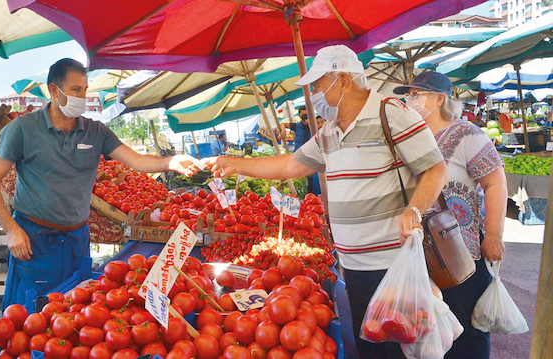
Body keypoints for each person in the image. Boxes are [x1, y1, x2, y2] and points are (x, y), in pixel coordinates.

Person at [206, 45, 448, 358]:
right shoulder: (329, 131)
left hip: (392, 265)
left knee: (398, 350)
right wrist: (235, 163)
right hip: (354, 267)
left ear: (343, 80)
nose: (316, 94)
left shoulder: (393, 113)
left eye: (319, 85)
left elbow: (435, 168)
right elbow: (291, 165)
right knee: (370, 348)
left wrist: (413, 210)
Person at [0, 58, 201, 309]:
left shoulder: (95, 132)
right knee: (30, 313)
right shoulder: (22, 129)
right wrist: (12, 230)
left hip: (76, 240)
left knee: (74, 309)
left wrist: (171, 162)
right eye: (76, 90)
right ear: (54, 90)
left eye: (85, 90)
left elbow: (137, 161)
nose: (82, 97)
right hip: (34, 240)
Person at [394, 71, 507, 359]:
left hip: (461, 253)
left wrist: (494, 236)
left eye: (416, 95)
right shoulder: (411, 139)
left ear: (439, 98)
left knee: (468, 333)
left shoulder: (466, 134)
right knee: (430, 332)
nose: (410, 100)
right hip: (421, 255)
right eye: (408, 95)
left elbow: (495, 183)